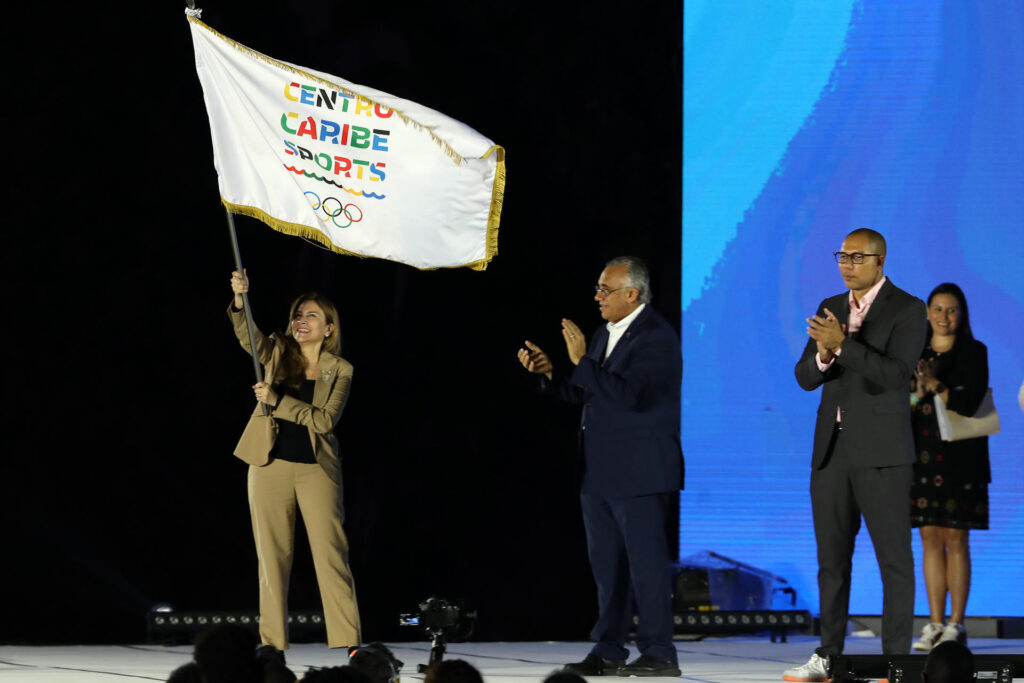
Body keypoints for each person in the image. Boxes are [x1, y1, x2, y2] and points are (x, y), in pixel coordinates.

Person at [517, 256, 683, 677]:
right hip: (599, 472)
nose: (597, 297)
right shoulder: (603, 333)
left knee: (647, 568)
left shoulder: (657, 338)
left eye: (605, 291)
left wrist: (581, 363)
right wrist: (552, 372)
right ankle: (608, 648)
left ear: (632, 294)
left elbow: (632, 397)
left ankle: (660, 652)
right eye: (597, 289)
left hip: (641, 472)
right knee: (608, 569)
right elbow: (586, 395)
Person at [787, 229, 927, 682]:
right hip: (833, 450)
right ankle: (828, 656)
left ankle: (895, 664)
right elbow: (805, 377)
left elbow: (895, 375)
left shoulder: (908, 308)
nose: (847, 264)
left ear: (880, 261)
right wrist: (826, 355)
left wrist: (845, 345)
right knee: (831, 561)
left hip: (883, 454)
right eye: (842, 256)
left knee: (894, 561)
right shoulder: (833, 305)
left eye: (857, 257)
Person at [229, 270, 361, 655]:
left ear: (329, 328)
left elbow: (323, 421)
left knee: (331, 556)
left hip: (316, 471)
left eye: (311, 316)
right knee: (271, 559)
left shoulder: (341, 369)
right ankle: (272, 645)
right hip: (268, 465)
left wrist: (277, 401)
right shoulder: (275, 351)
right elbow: (248, 338)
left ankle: (349, 642)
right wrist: (240, 300)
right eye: (297, 315)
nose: (301, 321)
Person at [909, 284, 990, 651]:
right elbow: (901, 402)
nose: (944, 317)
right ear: (927, 312)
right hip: (921, 456)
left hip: (961, 459)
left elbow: (972, 402)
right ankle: (934, 623)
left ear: (962, 314)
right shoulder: (913, 352)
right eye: (938, 309)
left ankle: (957, 624)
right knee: (928, 538)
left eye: (952, 310)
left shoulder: (974, 352)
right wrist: (917, 391)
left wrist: (936, 385)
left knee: (956, 538)